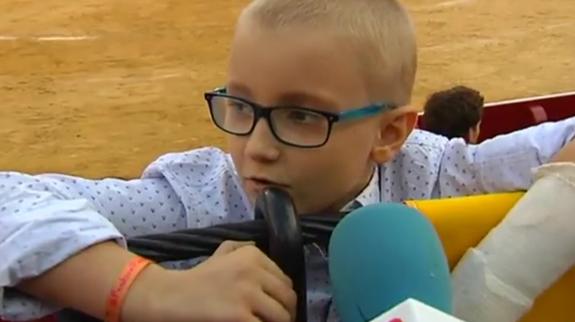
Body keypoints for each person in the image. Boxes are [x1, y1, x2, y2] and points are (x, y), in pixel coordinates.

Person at [2, 0, 575, 321]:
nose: (256, 145)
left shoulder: (433, 172)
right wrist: (147, 291)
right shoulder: (197, 198)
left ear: (389, 132)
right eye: (241, 105)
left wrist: (504, 272)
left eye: (302, 116)